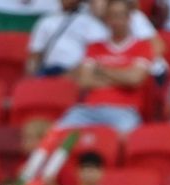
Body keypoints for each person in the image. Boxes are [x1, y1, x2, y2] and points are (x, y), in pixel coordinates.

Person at [56, 0, 153, 133]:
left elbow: (134, 79)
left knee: (126, 137)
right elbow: (85, 81)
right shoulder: (94, 47)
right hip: (89, 110)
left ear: (129, 18)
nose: (116, 20)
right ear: (106, 19)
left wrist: (101, 71)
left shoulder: (142, 46)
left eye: (120, 15)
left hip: (124, 110)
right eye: (112, 16)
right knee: (59, 132)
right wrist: (122, 78)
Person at [27, 0, 107, 77]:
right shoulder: (46, 21)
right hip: (49, 72)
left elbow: (98, 53)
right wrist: (32, 77)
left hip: (77, 74)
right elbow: (35, 54)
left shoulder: (91, 22)